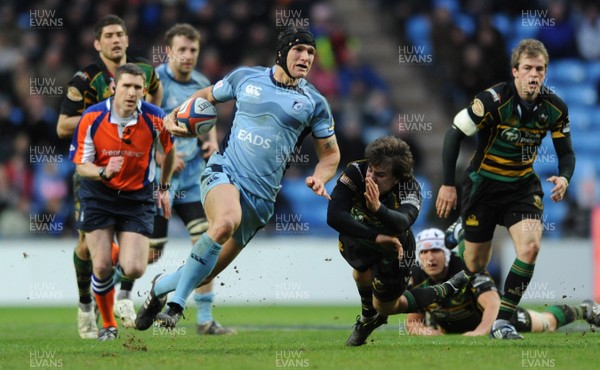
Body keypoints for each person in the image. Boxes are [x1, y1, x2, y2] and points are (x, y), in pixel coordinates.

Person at [134, 27, 341, 331]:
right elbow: (205, 96)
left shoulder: (314, 103)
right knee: (225, 221)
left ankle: (159, 288)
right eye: (299, 50)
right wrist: (173, 117)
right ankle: (177, 306)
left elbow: (330, 155)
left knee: (204, 273)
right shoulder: (246, 77)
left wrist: (320, 178)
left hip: (262, 198)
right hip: (224, 170)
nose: (306, 57)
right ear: (282, 53)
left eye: (310, 52)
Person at [435, 39, 576, 339]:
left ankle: (503, 320)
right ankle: (463, 229)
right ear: (515, 71)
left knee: (531, 247)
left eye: (539, 69)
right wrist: (448, 184)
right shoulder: (493, 100)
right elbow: (453, 134)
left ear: (546, 72)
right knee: (476, 263)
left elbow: (566, 153)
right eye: (527, 68)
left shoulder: (555, 108)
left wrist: (565, 177)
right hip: (482, 187)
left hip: (521, 187)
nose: (533, 75)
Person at [57, 14, 163, 338]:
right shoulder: (84, 79)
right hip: (93, 165)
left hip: (134, 167)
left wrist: (145, 127)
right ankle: (86, 303)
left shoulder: (145, 71)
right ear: (97, 43)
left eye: (120, 34)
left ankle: (125, 296)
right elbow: (62, 126)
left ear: (128, 40)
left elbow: (157, 101)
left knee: (134, 256)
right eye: (109, 36)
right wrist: (107, 114)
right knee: (88, 249)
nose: (116, 40)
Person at [326, 136, 469, 346]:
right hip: (362, 235)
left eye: (380, 175)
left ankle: (445, 288)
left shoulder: (409, 187)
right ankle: (367, 318)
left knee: (387, 307)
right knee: (360, 272)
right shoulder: (356, 171)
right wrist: (375, 236)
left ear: (396, 178)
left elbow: (402, 222)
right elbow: (334, 216)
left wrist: (378, 209)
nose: (371, 178)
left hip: (396, 249)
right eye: (371, 170)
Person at [69, 63, 175, 341]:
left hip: (136, 198)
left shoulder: (155, 117)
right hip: (98, 195)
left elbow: (169, 152)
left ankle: (115, 249)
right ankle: (107, 325)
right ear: (114, 87)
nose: (131, 92)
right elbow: (81, 165)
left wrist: (164, 187)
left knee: (135, 268)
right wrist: (103, 171)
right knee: (101, 266)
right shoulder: (92, 117)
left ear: (143, 91)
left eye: (137, 88)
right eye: (126, 86)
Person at [149, 23, 235, 335]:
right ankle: (119, 290)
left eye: (193, 50)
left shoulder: (201, 82)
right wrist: (161, 156)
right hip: (160, 182)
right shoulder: (155, 82)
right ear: (169, 51)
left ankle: (204, 319)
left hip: (194, 181)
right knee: (149, 253)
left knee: (206, 244)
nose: (188, 56)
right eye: (182, 50)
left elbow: (207, 119)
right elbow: (143, 123)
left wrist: (211, 141)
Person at [406, 227, 600, 336]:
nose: (430, 257)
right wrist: (427, 333)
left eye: (436, 251)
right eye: (424, 252)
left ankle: (585, 309)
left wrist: (481, 332)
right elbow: (413, 323)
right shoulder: (416, 278)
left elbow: (493, 305)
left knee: (545, 323)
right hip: (452, 328)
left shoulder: (467, 267)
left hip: (497, 319)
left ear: (447, 253)